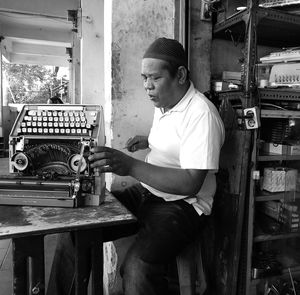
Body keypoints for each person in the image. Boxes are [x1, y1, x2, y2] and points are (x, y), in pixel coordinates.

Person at [47, 37, 225, 295]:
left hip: (184, 206)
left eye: (154, 78)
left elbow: (190, 182)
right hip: (148, 194)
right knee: (77, 231)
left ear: (181, 75)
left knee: (137, 268)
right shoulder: (164, 103)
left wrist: (129, 166)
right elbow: (174, 140)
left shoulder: (201, 115)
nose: (147, 86)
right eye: (144, 78)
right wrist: (148, 140)